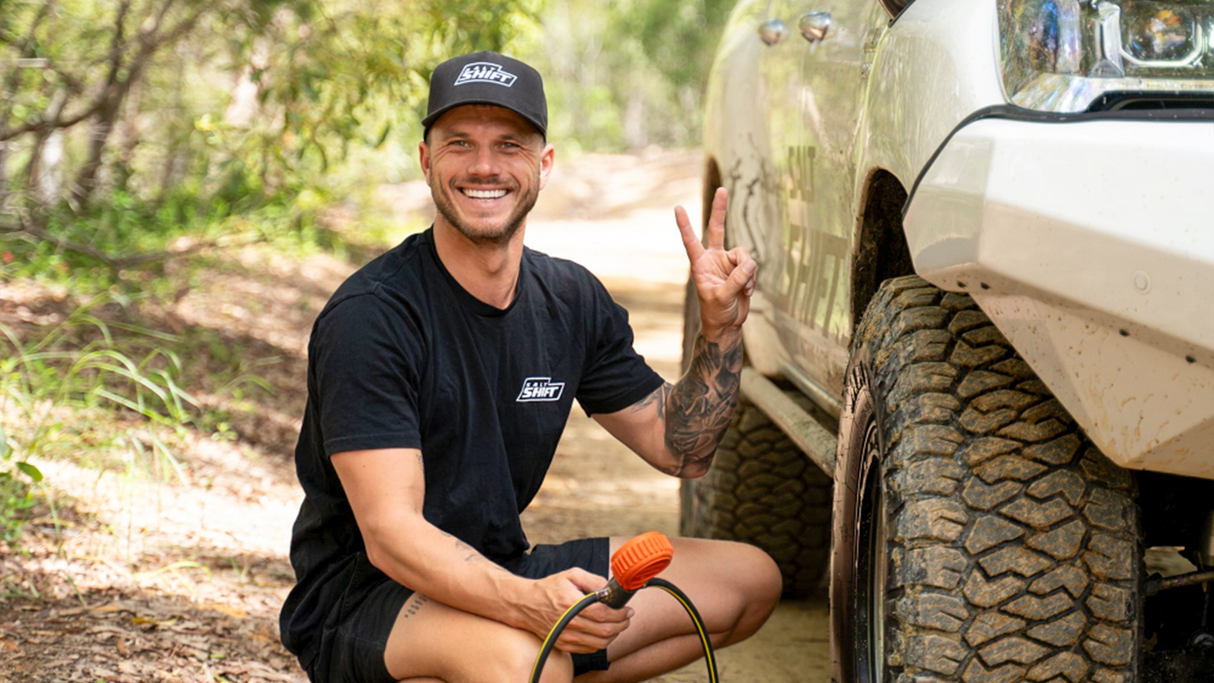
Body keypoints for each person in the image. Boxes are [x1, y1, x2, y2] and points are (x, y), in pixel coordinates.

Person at [279, 50, 781, 683]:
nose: (484, 166)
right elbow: (391, 536)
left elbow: (682, 451)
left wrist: (721, 329)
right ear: (427, 160)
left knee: (747, 581)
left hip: (497, 568)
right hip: (368, 597)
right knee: (526, 662)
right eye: (460, 143)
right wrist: (531, 606)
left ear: (544, 165)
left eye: (509, 144)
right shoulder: (371, 317)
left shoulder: (569, 299)